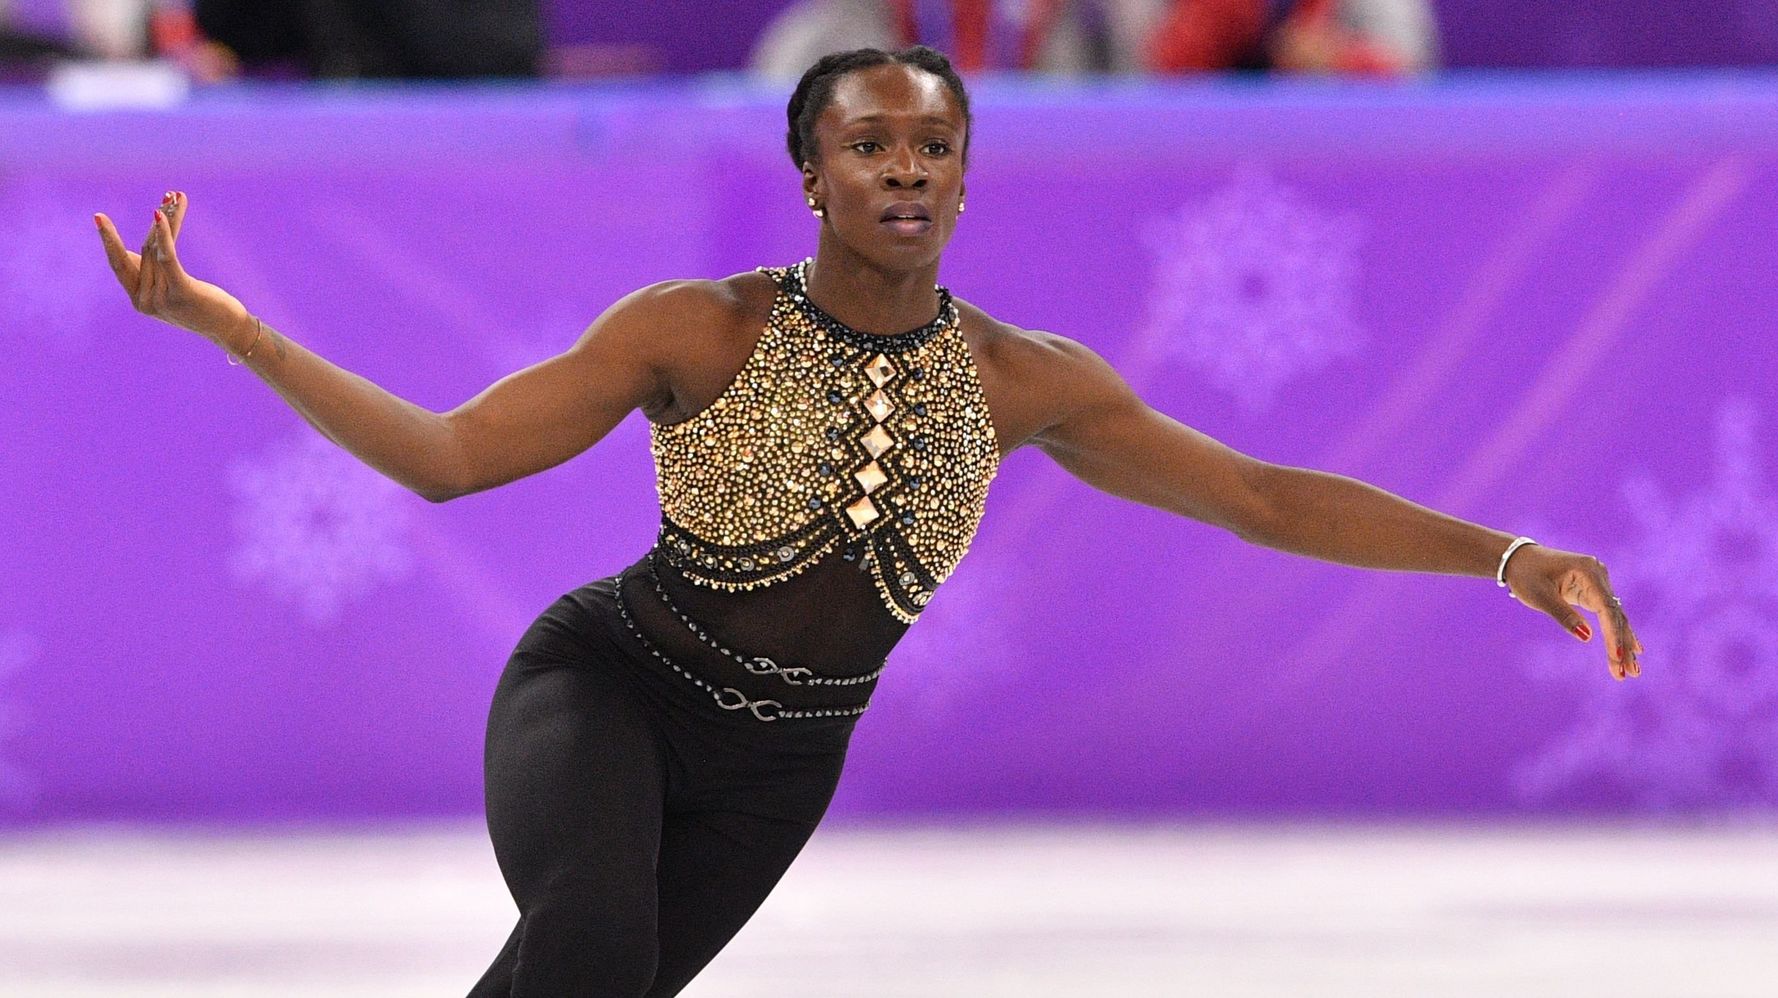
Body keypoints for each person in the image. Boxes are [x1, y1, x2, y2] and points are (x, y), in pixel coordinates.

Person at [93, 44, 1643, 996]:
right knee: (585, 944)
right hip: (611, 688)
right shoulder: (694, 330)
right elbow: (444, 458)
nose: (903, 165)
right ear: (812, 173)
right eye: (867, 144)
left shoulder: (1021, 380)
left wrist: (1502, 552)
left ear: (964, 177)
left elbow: (1253, 496)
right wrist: (236, 328)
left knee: (594, 985)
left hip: (783, 759)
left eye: (932, 146)